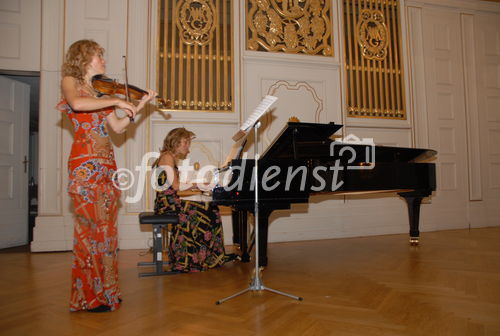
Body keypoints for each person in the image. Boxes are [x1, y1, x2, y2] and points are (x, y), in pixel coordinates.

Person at [57, 39, 156, 312]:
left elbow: (119, 128)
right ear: (84, 57)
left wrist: (141, 105)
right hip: (85, 164)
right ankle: (88, 297)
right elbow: (76, 104)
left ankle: (107, 292)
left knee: (107, 232)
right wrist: (117, 100)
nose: (103, 60)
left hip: (107, 166)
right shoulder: (71, 82)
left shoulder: (100, 95)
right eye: (99, 55)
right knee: (89, 231)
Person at [153, 128, 237, 272]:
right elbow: (177, 187)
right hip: (168, 205)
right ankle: (204, 257)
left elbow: (176, 189)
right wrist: (198, 184)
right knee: (210, 210)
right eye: (185, 143)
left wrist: (200, 188)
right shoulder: (167, 157)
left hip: (171, 202)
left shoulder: (168, 157)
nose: (188, 148)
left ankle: (208, 256)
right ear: (175, 142)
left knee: (210, 207)